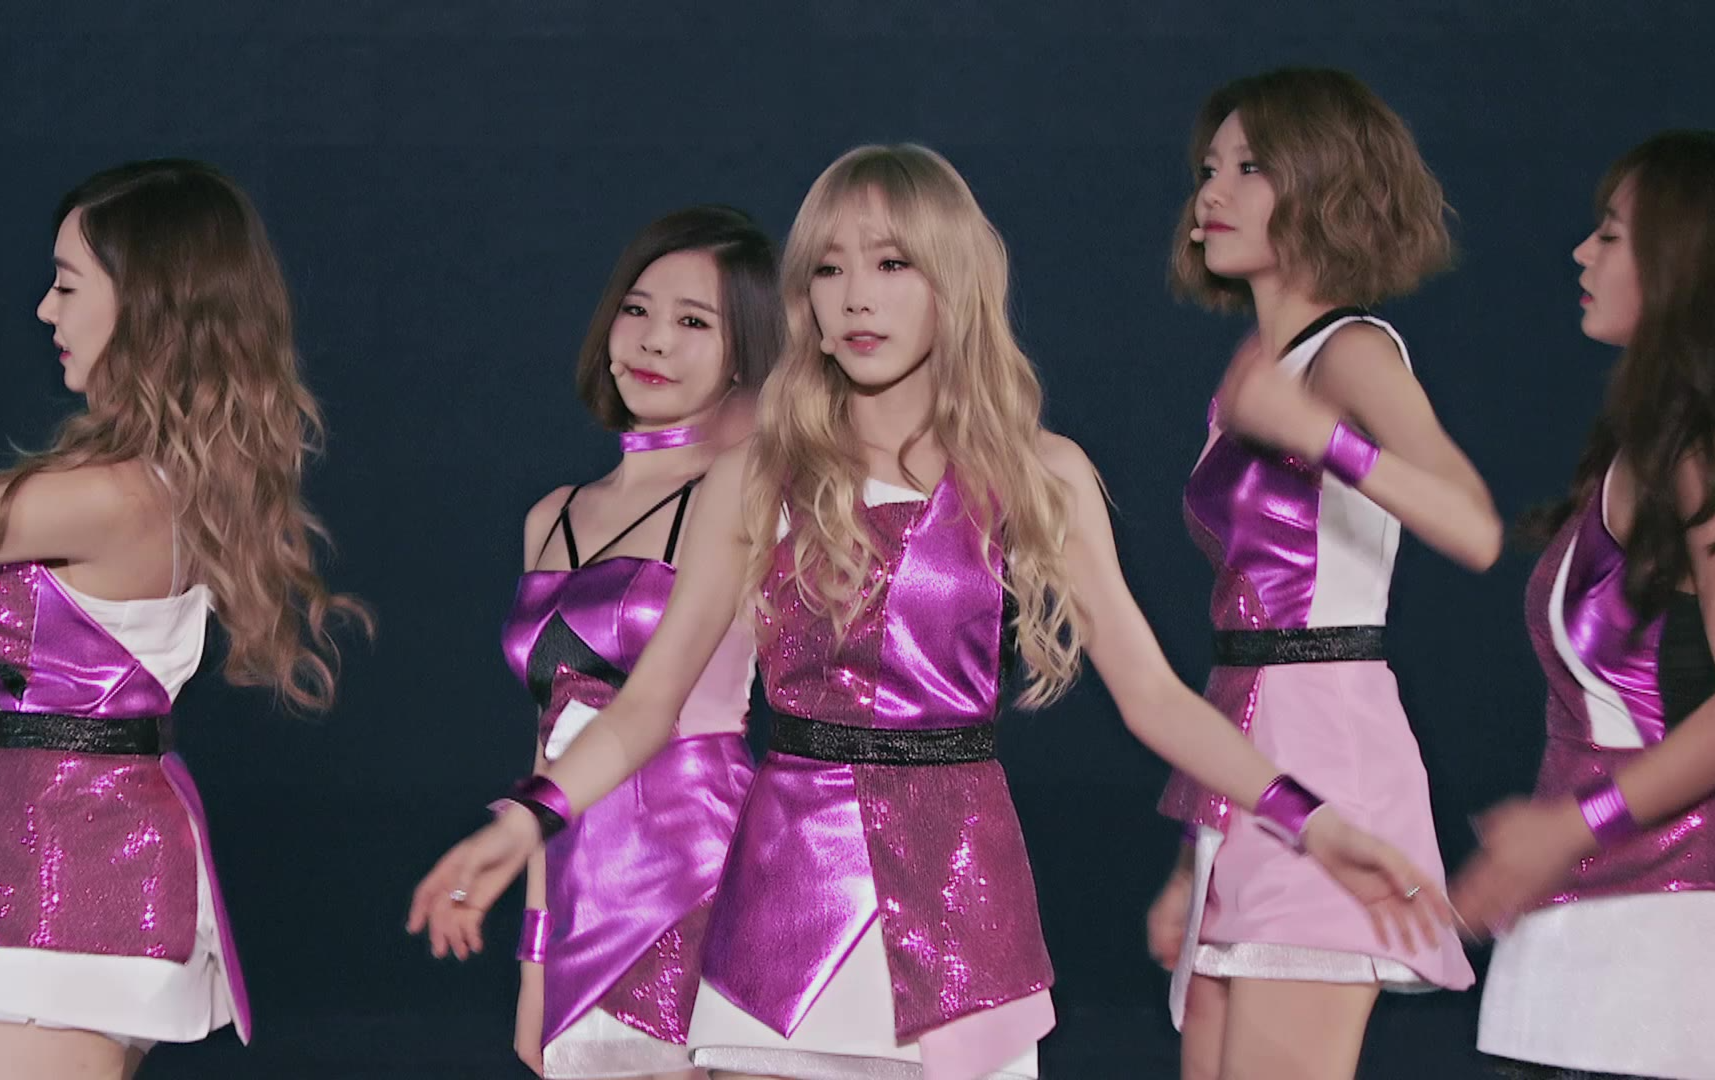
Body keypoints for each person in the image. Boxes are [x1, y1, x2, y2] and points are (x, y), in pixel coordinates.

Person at [412, 143, 1448, 1080]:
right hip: (782, 916)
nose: (856, 296)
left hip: (964, 913)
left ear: (954, 282)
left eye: (892, 263)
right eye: (829, 269)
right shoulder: (759, 475)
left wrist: (1310, 821)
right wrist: (523, 821)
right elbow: (646, 708)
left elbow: (1156, 698)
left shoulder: (1038, 471)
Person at [1146, 67, 1496, 1080]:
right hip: (1248, 768)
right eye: (1209, 167)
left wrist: (1318, 435)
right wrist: (1197, 855)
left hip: (1333, 752)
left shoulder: (1349, 353)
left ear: (1322, 182)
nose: (1213, 191)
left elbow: (1473, 527)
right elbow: (1244, 648)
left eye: (1250, 167)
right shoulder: (1261, 366)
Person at [0, 159, 365, 1080]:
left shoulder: (111, 498)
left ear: (147, 305)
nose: (44, 310)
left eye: (67, 285)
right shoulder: (142, 483)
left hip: (71, 877)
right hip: (57, 857)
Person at [1456, 129, 1715, 1080]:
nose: (1581, 253)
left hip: (1668, 952)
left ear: (1684, 262)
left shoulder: (1704, 456)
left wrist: (1572, 825)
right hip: (1576, 945)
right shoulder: (1641, 449)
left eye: (1610, 234)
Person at [502, 206, 782, 1078]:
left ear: (744, 355)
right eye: (636, 309)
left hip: (704, 875)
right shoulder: (551, 516)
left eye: (694, 322)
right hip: (581, 889)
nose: (654, 340)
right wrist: (534, 959)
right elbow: (550, 743)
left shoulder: (749, 495)